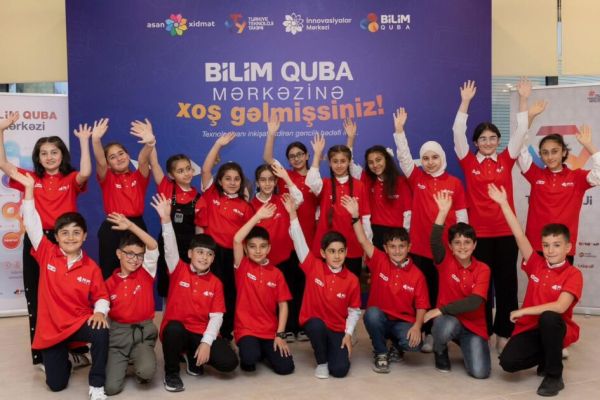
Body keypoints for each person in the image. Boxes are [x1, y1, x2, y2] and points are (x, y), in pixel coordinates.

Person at [453, 79, 546, 351]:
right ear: (476, 142)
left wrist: (523, 100)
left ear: (498, 141)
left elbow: (521, 131)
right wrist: (465, 102)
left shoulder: (506, 159)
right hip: (478, 236)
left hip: (506, 233)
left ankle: (504, 332)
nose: (488, 142)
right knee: (481, 287)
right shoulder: (468, 161)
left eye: (493, 138)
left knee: (506, 285)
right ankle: (482, 332)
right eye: (483, 138)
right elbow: (457, 131)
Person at [0, 112, 92, 367]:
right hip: (37, 240)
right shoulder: (31, 179)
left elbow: (86, 171)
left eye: (54, 152)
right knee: (36, 297)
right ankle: (41, 356)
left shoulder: (70, 179)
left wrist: (84, 141)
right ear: (38, 158)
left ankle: (76, 349)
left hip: (66, 242)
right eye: (44, 153)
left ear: (62, 155)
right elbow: (4, 164)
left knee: (70, 296)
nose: (49, 157)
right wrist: (1, 130)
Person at [12, 169, 109, 400]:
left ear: (85, 236)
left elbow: (102, 296)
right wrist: (29, 190)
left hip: (77, 323)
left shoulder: (91, 267)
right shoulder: (46, 252)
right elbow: (32, 222)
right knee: (56, 385)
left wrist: (100, 312)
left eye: (76, 232)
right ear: (56, 237)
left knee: (101, 330)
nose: (70, 237)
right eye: (64, 233)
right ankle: (68, 359)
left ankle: (97, 384)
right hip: (52, 329)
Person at [488, 183, 583, 397]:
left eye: (556, 245)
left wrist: (523, 310)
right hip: (531, 329)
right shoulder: (536, 264)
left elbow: (560, 306)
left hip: (556, 328)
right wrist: (503, 203)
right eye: (546, 245)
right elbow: (519, 235)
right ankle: (548, 355)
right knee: (507, 362)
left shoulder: (573, 273)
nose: (550, 250)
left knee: (549, 316)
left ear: (568, 247)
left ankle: (554, 376)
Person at [393, 108, 468, 352]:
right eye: (425, 158)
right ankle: (423, 332)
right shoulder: (417, 179)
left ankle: (439, 333)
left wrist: (462, 247)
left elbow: (462, 217)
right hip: (419, 248)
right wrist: (399, 131)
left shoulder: (454, 183)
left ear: (442, 158)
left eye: (434, 157)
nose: (430, 162)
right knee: (421, 292)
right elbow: (404, 158)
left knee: (440, 292)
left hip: (444, 251)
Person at [154, 193, 238, 392]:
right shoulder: (178, 268)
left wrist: (207, 342)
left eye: (209, 254)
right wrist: (166, 220)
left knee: (229, 363)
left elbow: (217, 317)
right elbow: (170, 247)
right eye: (200, 252)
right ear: (190, 253)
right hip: (179, 331)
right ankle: (172, 374)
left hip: (200, 332)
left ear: (213, 258)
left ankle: (192, 358)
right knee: (173, 329)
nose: (204, 257)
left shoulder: (216, 283)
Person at [342, 195, 428, 373]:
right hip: (380, 318)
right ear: (386, 248)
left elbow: (421, 306)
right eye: (392, 247)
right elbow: (363, 240)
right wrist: (355, 217)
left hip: (402, 321)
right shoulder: (379, 260)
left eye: (401, 246)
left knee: (415, 344)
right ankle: (381, 352)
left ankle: (396, 346)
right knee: (371, 314)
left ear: (409, 247)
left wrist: (417, 326)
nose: (397, 251)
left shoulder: (417, 275)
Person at [282, 195, 361, 379]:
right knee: (316, 326)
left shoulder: (352, 279)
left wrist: (348, 334)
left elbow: (354, 311)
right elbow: (299, 241)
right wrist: (292, 214)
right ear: (323, 253)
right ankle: (322, 362)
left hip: (337, 328)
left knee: (340, 370)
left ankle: (331, 350)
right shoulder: (313, 266)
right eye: (332, 251)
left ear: (346, 253)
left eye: (341, 251)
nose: (337, 256)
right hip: (315, 323)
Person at [424, 191, 491, 379]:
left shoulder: (483, 269)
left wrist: (440, 310)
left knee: (480, 373)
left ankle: (465, 343)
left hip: (473, 328)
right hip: (449, 321)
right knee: (445, 325)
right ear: (451, 247)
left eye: (467, 242)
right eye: (457, 243)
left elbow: (475, 302)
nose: (462, 247)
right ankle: (440, 349)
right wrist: (442, 212)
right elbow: (434, 240)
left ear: (474, 245)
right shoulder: (445, 261)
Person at [263, 116, 318, 342]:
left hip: (308, 240)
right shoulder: (282, 176)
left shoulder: (315, 178)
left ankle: (303, 325)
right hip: (285, 241)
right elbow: (268, 158)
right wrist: (271, 133)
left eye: (299, 154)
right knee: (286, 284)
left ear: (307, 156)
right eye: (292, 156)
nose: (296, 158)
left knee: (305, 285)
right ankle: (287, 326)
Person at [194, 132, 253, 339]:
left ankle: (225, 332)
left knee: (229, 293)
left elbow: (247, 237)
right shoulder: (211, 194)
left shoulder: (245, 206)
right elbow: (205, 169)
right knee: (207, 290)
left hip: (232, 255)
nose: (232, 182)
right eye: (227, 178)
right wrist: (218, 144)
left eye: (236, 179)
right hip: (212, 253)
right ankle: (203, 330)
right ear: (219, 181)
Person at [518, 124, 600, 264]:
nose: (550, 157)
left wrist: (588, 145)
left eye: (554, 151)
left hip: (563, 247)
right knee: (536, 280)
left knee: (563, 279)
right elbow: (519, 147)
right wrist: (528, 119)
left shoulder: (577, 177)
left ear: (563, 152)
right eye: (545, 152)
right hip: (535, 245)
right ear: (541, 155)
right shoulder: (535, 174)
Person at [232, 201, 295, 375]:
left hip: (269, 331)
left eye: (262, 246)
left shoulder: (277, 273)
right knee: (249, 359)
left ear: (269, 248)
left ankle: (265, 351)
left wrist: (280, 334)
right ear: (246, 249)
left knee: (286, 368)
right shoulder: (243, 266)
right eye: (252, 247)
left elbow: (283, 305)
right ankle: (251, 350)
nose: (258, 251)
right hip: (246, 330)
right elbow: (237, 239)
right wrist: (258, 217)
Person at [143, 120, 201, 298]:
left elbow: (200, 230)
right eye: (180, 171)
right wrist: (151, 139)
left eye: (188, 169)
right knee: (168, 286)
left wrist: (197, 250)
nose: (186, 173)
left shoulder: (199, 197)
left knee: (188, 286)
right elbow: (154, 163)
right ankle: (168, 315)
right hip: (167, 244)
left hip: (189, 247)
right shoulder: (166, 188)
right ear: (171, 175)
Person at [91, 118, 155, 279]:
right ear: (108, 163)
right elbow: (100, 161)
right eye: (112, 157)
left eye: (121, 153)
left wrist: (149, 143)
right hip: (113, 227)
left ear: (128, 155)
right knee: (109, 271)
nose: (119, 158)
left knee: (138, 272)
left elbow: (143, 160)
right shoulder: (107, 178)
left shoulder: (139, 176)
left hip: (136, 226)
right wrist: (96, 140)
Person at [103, 213, 160, 395]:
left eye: (139, 256)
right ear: (119, 254)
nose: (135, 260)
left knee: (146, 372)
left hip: (142, 333)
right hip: (118, 335)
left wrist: (130, 226)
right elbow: (102, 311)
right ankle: (122, 359)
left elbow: (153, 246)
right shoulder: (108, 284)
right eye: (129, 254)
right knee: (111, 388)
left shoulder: (146, 273)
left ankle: (140, 357)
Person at [306, 133, 371, 279]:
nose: (339, 165)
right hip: (327, 246)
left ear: (349, 162)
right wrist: (317, 155)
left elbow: (365, 218)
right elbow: (311, 182)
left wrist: (367, 244)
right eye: (335, 161)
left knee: (351, 283)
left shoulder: (359, 185)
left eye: (343, 161)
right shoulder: (325, 183)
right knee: (326, 285)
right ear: (329, 163)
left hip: (353, 246)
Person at [251, 162, 304, 342]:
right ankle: (274, 328)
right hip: (263, 261)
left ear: (275, 182)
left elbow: (299, 198)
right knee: (268, 296)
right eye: (263, 180)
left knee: (291, 292)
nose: (267, 183)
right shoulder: (251, 205)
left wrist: (286, 178)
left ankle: (294, 327)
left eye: (271, 180)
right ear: (257, 183)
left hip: (286, 257)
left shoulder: (283, 199)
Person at [343, 118, 412, 250]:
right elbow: (349, 165)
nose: (375, 165)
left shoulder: (401, 181)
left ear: (386, 159)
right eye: (371, 162)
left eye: (378, 160)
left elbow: (408, 212)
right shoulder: (367, 179)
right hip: (375, 233)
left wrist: (405, 236)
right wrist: (350, 139)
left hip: (397, 234)